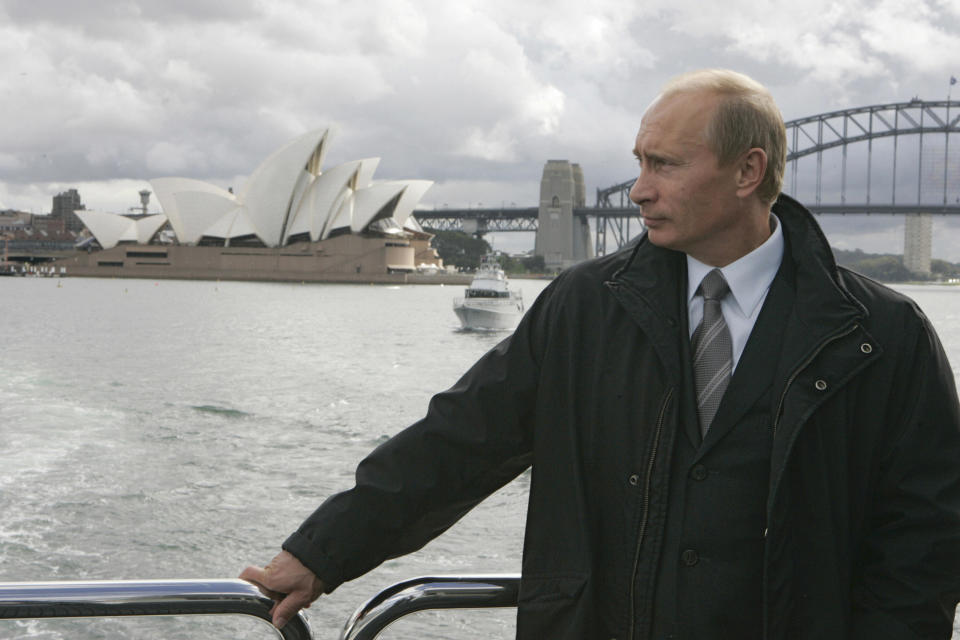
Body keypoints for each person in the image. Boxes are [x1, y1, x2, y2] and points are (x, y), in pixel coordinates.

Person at [241, 69, 960, 639]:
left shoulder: (881, 336)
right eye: (639, 162)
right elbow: (462, 438)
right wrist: (323, 550)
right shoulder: (587, 305)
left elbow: (924, 543)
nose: (640, 190)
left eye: (667, 165)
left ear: (748, 172)